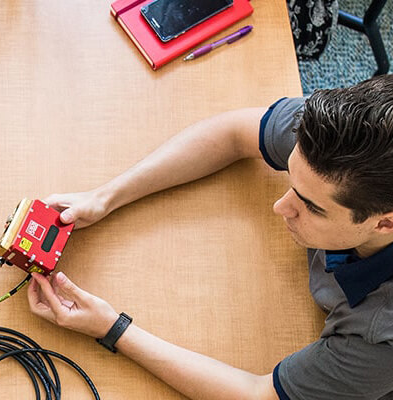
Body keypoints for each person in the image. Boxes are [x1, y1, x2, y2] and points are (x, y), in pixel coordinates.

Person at [27, 75, 393, 400]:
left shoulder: (381, 339)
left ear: (384, 224)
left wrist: (112, 328)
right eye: (291, 181)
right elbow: (233, 134)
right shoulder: (341, 137)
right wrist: (105, 196)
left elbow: (259, 395)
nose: (280, 206)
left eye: (311, 207)